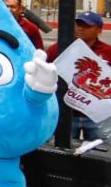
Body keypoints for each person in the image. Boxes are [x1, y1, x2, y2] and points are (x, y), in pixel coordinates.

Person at [46, 11, 111, 141]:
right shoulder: (59, 49)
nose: (80, 28)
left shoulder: (107, 52)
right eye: (78, 24)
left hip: (97, 117)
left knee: (100, 154)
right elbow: (46, 75)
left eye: (86, 26)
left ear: (99, 30)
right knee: (62, 152)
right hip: (66, 114)